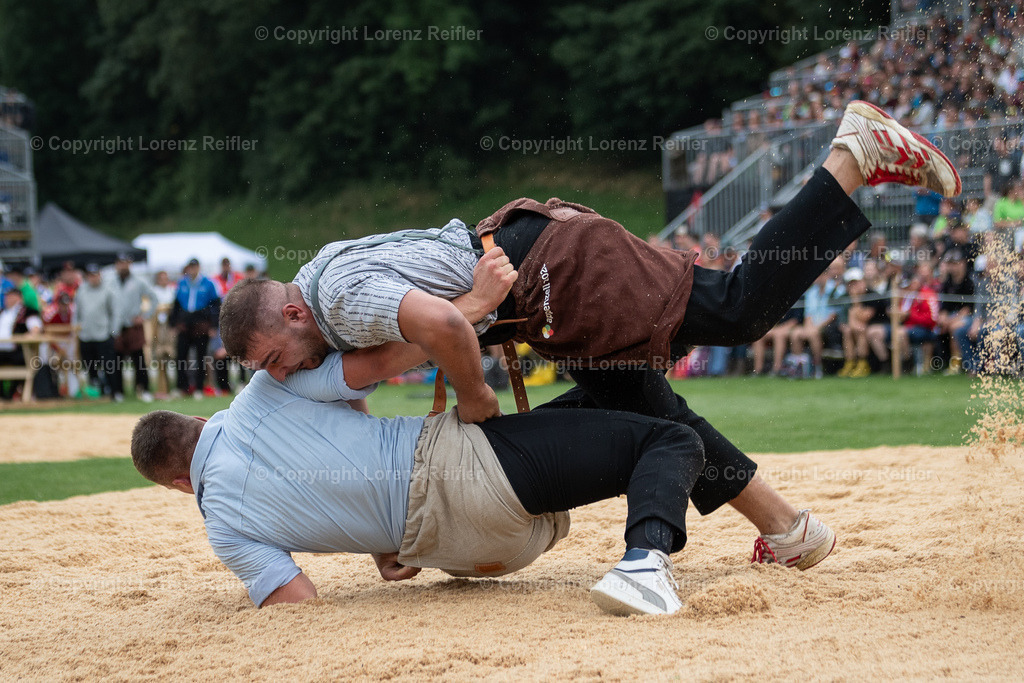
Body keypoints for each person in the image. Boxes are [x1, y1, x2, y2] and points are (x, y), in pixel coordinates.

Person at [219, 101, 959, 559]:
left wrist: (475, 394)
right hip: (540, 282)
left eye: (274, 359)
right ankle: (790, 528)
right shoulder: (316, 279)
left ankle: (850, 156)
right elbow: (420, 334)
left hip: (557, 273)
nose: (281, 373)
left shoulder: (336, 297)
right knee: (649, 409)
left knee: (736, 308)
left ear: (291, 315)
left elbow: (444, 321)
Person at [131, 340, 832, 616]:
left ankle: (784, 528)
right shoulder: (259, 394)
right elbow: (367, 369)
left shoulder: (223, 528)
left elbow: (298, 602)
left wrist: (376, 539)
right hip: (470, 470)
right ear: (199, 420)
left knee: (625, 394)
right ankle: (647, 560)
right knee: (671, 438)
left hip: (464, 551)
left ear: (177, 485)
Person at [170, 258, 219, 399]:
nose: (192, 270)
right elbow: (176, 305)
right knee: (180, 356)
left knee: (200, 357)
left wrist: (213, 325)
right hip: (185, 323)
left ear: (198, 267)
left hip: (201, 322)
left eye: (194, 267)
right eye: (190, 267)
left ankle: (198, 387)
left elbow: (215, 305)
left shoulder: (208, 284)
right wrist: (173, 324)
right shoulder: (182, 283)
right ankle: (182, 387)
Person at [111, 253, 157, 402]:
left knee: (139, 360)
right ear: (116, 265)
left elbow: (154, 298)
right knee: (116, 361)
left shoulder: (138, 281)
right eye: (120, 263)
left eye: (125, 262)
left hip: (133, 325)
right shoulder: (110, 282)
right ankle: (118, 391)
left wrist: (144, 315)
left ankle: (144, 389)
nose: (123, 266)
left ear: (129, 264)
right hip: (117, 326)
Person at [75, 264, 120, 399]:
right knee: (90, 368)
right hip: (86, 335)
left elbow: (115, 312)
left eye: (95, 275)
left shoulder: (108, 290)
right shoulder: (81, 290)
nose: (93, 278)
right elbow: (77, 312)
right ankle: (96, 393)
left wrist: (113, 332)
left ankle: (114, 392)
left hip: (103, 335)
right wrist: (77, 329)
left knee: (109, 366)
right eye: (90, 275)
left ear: (99, 275)